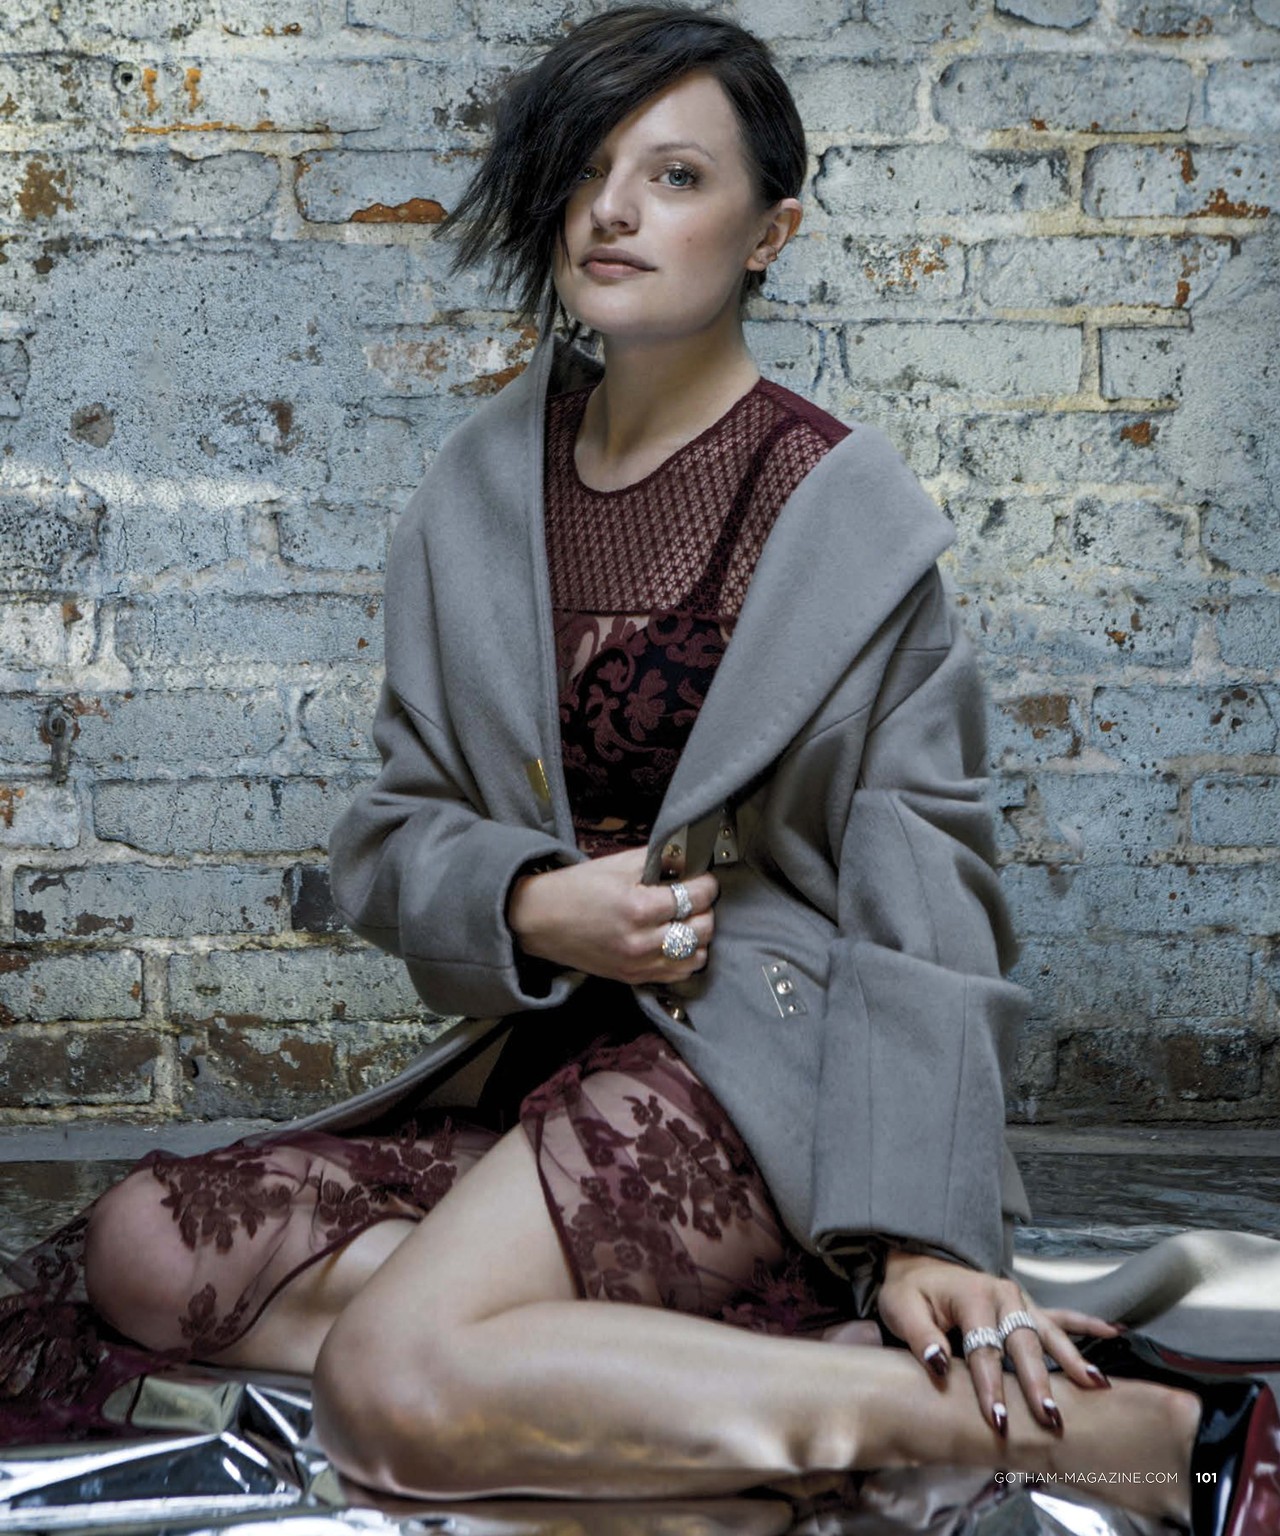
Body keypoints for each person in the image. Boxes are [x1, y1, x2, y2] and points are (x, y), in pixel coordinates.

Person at [2, 6, 1275, 1532]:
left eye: (675, 176)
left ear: (769, 232)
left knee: (391, 1386)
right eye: (590, 169)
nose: (613, 210)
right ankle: (703, 1407)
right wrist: (528, 904)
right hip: (542, 1059)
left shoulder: (840, 515)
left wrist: (921, 1230)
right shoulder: (478, 486)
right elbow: (393, 830)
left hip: (756, 1064)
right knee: (148, 1245)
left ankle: (1152, 1437)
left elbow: (924, 887)